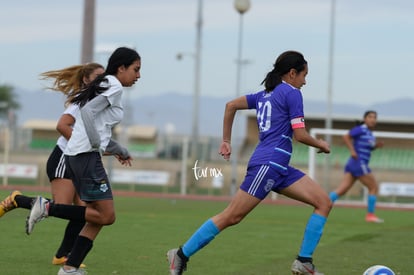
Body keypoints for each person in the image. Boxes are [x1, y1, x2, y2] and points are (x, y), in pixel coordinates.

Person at [167, 50, 332, 275]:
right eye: (304, 75)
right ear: (292, 73)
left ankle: (304, 262)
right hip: (268, 164)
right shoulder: (292, 93)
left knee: (323, 202)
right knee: (232, 216)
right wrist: (321, 144)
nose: (305, 81)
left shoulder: (264, 95)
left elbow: (230, 106)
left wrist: (226, 140)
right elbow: (300, 135)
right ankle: (180, 254)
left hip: (279, 167)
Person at [24, 46, 141, 275]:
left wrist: (119, 149)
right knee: (106, 215)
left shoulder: (105, 82)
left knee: (96, 216)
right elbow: (88, 113)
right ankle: (46, 207)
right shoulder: (114, 85)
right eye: (136, 70)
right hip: (86, 156)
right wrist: (97, 144)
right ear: (121, 67)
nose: (138, 75)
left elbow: (97, 123)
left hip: (79, 154)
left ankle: (70, 268)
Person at [0, 62, 105, 268]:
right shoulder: (82, 101)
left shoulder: (97, 103)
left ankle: (62, 255)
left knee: (84, 211)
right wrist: (81, 145)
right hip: (65, 158)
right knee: (63, 207)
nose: (103, 81)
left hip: (80, 161)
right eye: (98, 77)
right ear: (86, 79)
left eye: (105, 77)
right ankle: (16, 200)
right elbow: (62, 125)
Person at [329, 110, 384, 223]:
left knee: (342, 190)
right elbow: (346, 136)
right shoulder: (361, 129)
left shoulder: (370, 134)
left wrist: (376, 146)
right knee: (373, 187)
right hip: (359, 163)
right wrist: (352, 151)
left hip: (353, 164)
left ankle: (322, 202)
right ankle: (370, 215)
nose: (373, 119)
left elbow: (368, 147)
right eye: (370, 117)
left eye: (375, 117)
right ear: (365, 119)